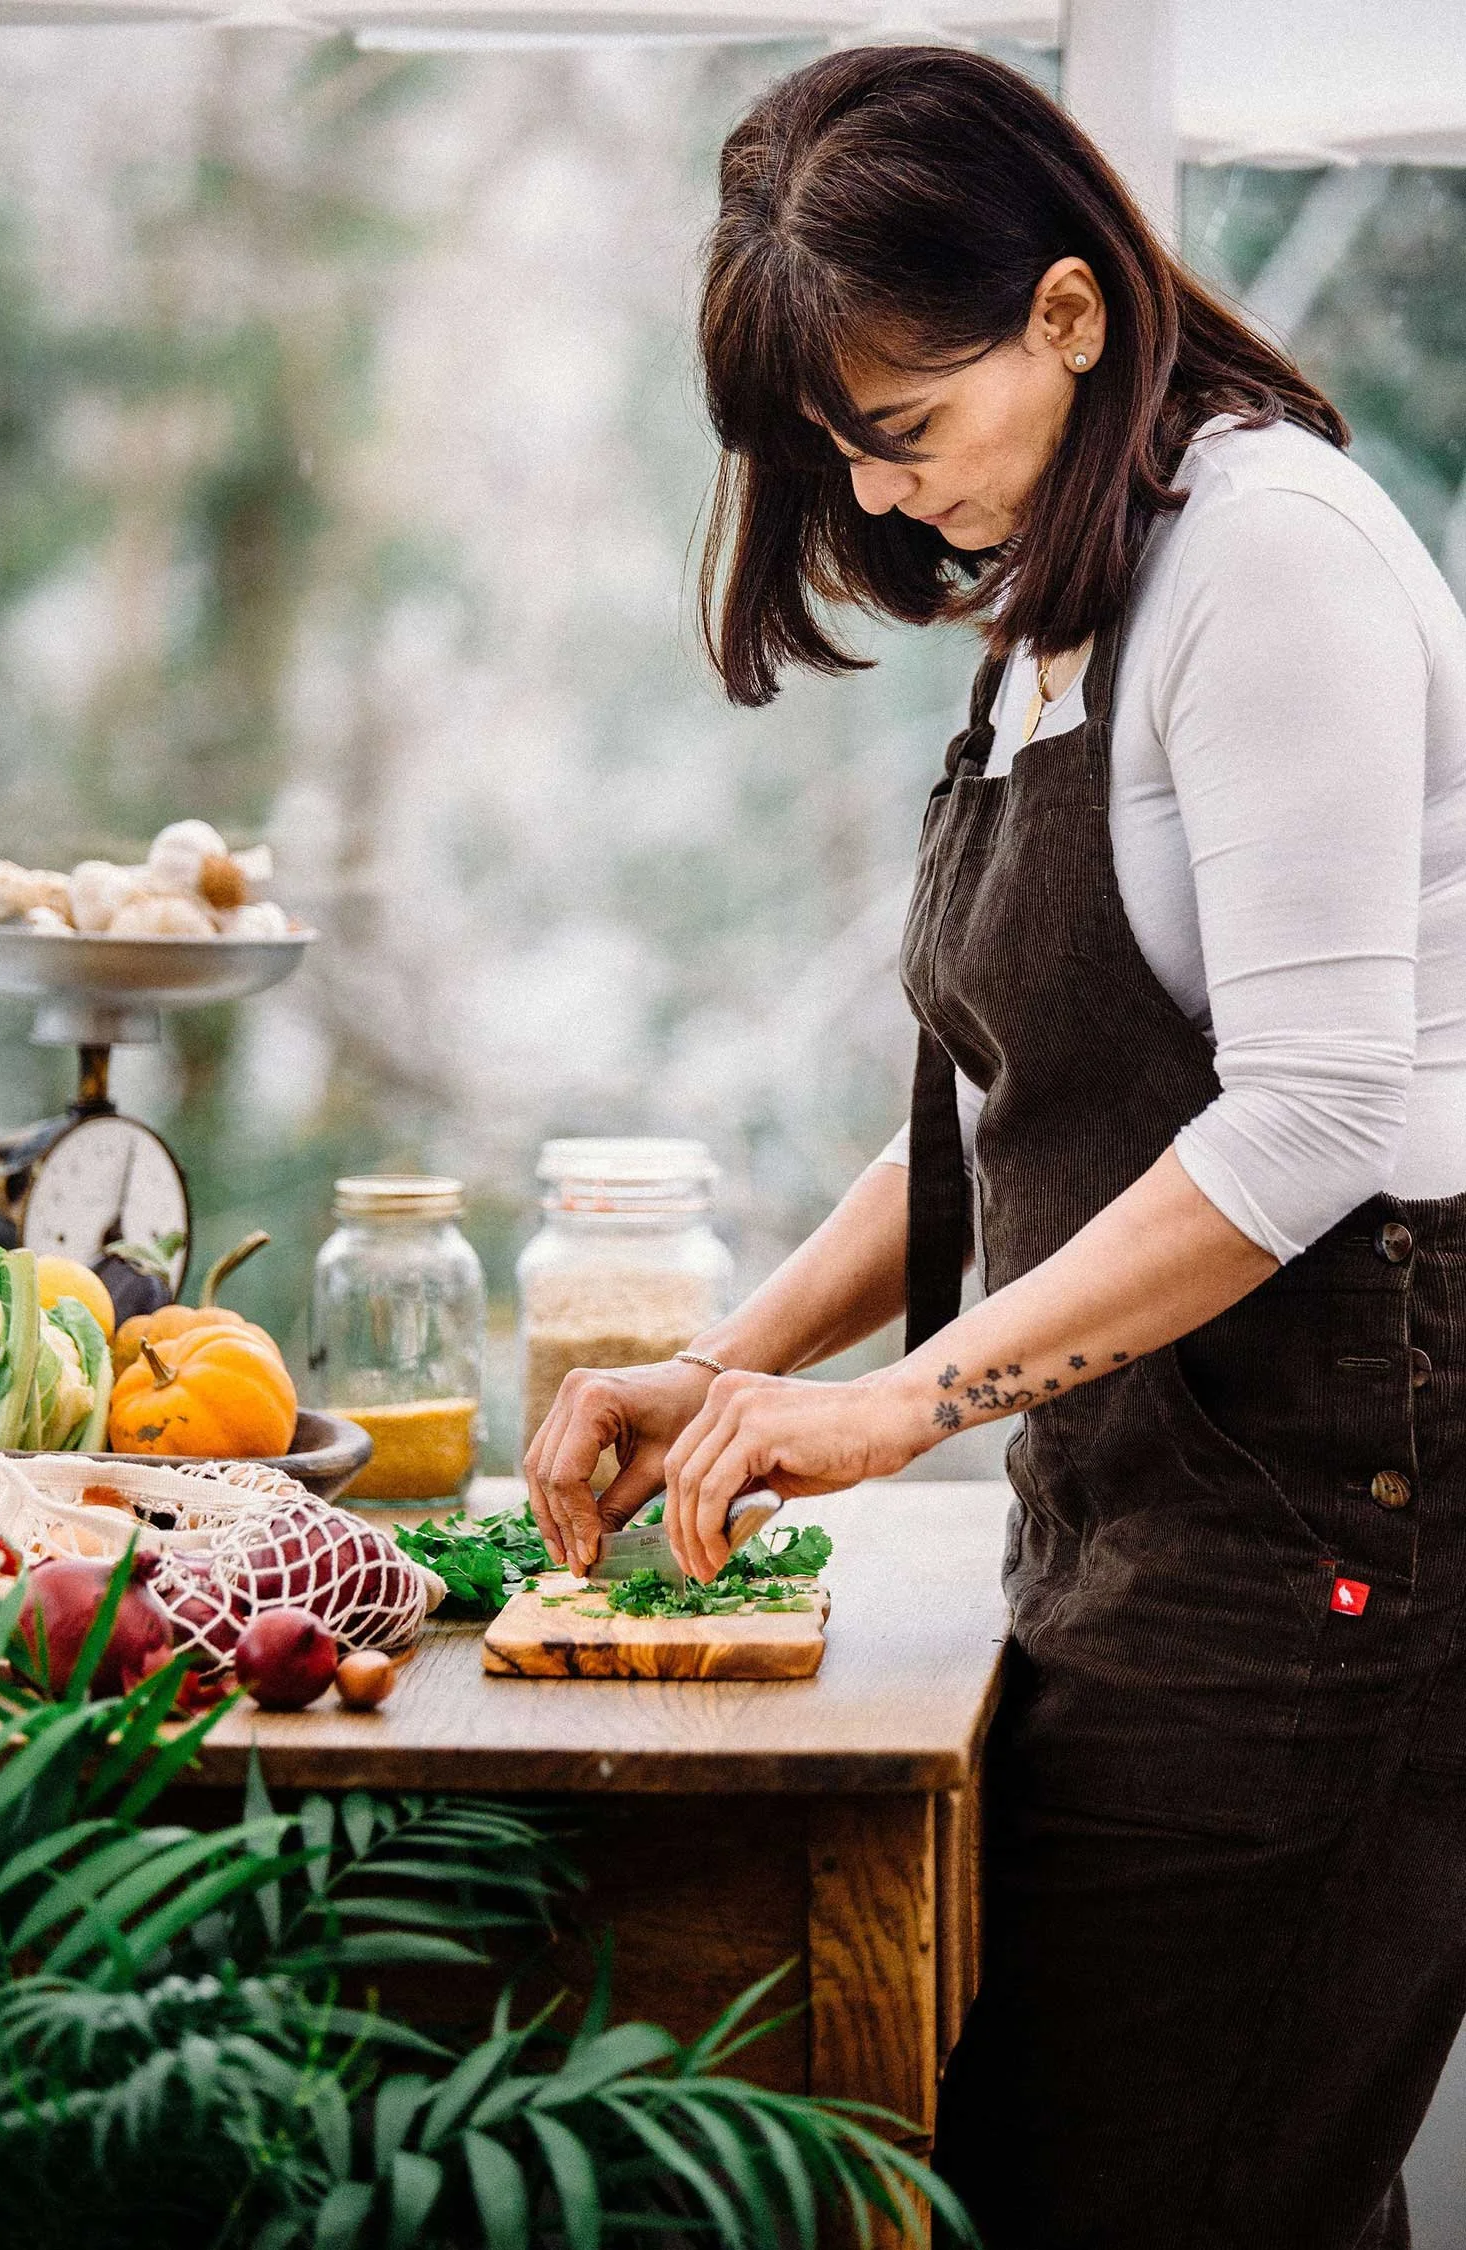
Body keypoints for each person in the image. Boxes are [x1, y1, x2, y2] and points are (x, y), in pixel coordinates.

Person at [524, 44, 1466, 2250]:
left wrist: (897, 1412)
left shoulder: (1271, 560)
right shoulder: (1068, 591)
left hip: (1334, 1522)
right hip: (1142, 1510)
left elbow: (1317, 1114)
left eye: (901, 428)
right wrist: (731, 1365)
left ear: (1066, 311)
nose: (877, 500)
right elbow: (999, 1118)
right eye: (835, 455)